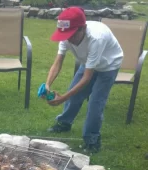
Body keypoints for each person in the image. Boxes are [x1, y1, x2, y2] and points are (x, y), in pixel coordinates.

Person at [44, 7, 123, 152]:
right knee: (74, 96)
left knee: (95, 103)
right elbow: (58, 63)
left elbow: (87, 78)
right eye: (65, 35)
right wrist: (48, 84)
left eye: (72, 35)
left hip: (108, 66)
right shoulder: (66, 36)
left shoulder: (96, 38)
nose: (69, 39)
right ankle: (64, 123)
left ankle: (92, 140)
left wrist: (62, 98)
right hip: (89, 62)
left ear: (83, 28)